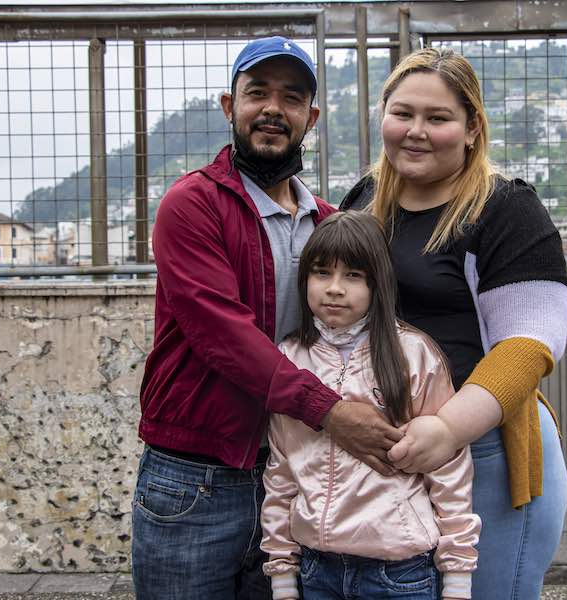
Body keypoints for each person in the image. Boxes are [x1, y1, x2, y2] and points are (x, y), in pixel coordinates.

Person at [132, 37, 403, 600]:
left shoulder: (328, 224)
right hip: (196, 476)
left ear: (312, 117)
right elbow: (222, 334)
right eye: (257, 93)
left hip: (294, 469)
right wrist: (330, 411)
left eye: (292, 97)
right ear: (230, 107)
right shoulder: (192, 204)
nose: (274, 109)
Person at [340, 47, 567, 600]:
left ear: (471, 129)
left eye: (438, 118)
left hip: (485, 449)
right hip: (392, 453)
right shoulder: (364, 201)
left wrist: (447, 430)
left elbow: (529, 343)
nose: (416, 132)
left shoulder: (504, 209)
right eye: (403, 113)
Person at [261, 211, 481, 600]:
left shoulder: (413, 354)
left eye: (353, 276)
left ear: (378, 283)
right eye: (321, 273)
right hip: (317, 570)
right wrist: (282, 574)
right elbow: (281, 471)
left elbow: (449, 470)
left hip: (401, 572)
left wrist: (458, 577)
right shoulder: (289, 361)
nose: (334, 288)